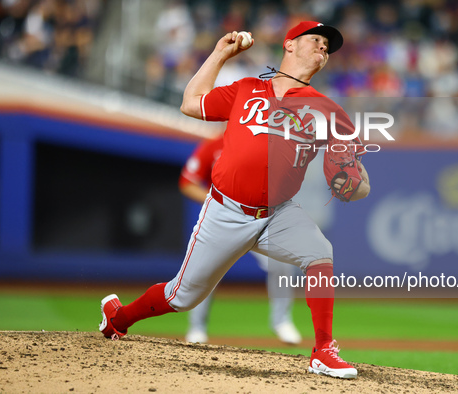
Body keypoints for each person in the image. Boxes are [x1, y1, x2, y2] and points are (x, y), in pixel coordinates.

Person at [99, 21, 370, 379]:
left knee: (320, 254)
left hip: (279, 213)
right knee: (183, 296)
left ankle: (323, 350)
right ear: (289, 45)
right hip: (227, 210)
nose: (322, 48)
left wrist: (351, 183)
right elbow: (191, 104)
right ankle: (119, 316)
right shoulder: (247, 88)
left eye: (327, 46)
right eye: (315, 40)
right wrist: (220, 54)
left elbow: (359, 178)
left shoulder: (328, 111)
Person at [179, 135, 302, 345]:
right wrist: (216, 201)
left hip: (259, 218)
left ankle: (281, 321)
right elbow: (187, 183)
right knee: (204, 272)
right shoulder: (213, 146)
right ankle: (197, 328)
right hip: (224, 220)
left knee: (282, 262)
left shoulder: (265, 143)